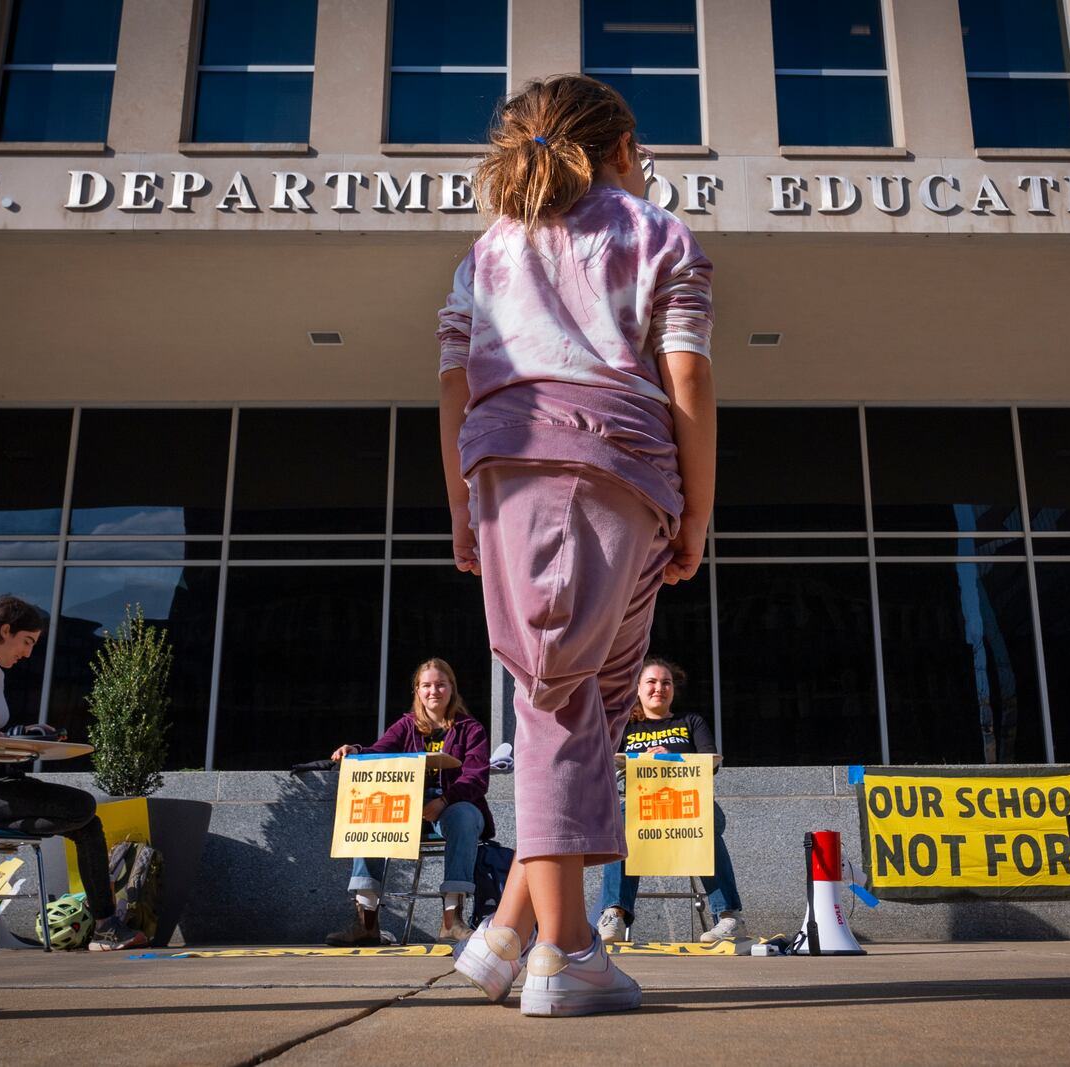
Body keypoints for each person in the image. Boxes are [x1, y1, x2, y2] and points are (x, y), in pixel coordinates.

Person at [439, 74, 716, 1017]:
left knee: (568, 693)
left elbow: (452, 385)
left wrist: (460, 506)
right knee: (574, 693)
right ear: (623, 148)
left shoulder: (487, 252)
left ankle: (512, 937)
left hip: (513, 466)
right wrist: (698, 511)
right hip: (624, 476)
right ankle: (560, 947)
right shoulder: (657, 232)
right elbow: (690, 382)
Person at [0, 594, 147, 951]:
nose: (27, 653)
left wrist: (23, 738)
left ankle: (105, 927)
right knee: (81, 807)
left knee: (88, 823)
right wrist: (9, 738)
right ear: (5, 631)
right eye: (26, 642)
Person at [324, 658, 493, 946]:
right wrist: (356, 750)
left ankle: (452, 920)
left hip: (453, 808)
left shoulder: (470, 729)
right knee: (368, 814)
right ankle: (366, 922)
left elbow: (476, 779)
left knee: (464, 817)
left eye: (441, 684)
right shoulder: (406, 726)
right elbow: (380, 753)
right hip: (408, 810)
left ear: (452, 688)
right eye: (426, 685)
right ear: (417, 690)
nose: (434, 691)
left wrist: (444, 800)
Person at [597, 656, 744, 944]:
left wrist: (673, 758)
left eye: (666, 683)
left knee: (705, 822)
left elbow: (710, 762)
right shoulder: (625, 727)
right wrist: (642, 759)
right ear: (637, 689)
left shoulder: (691, 722)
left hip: (688, 805)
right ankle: (614, 913)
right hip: (640, 808)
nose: (659, 688)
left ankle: (729, 917)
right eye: (651, 682)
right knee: (620, 823)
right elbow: (605, 763)